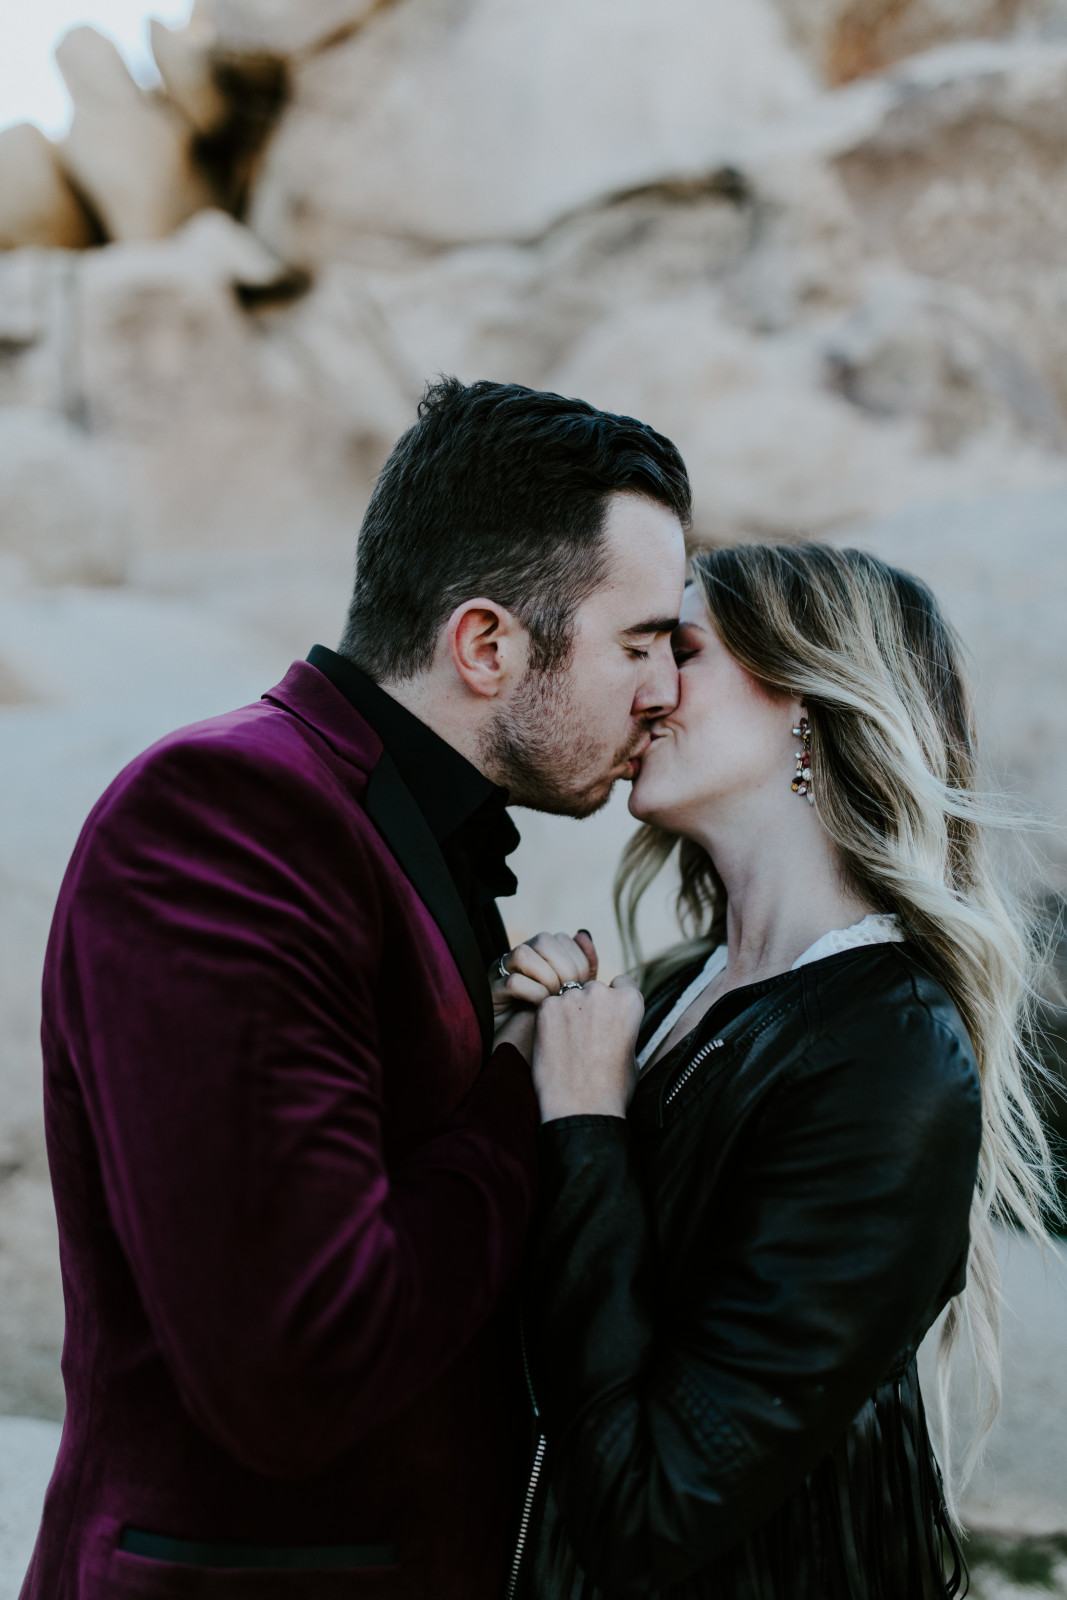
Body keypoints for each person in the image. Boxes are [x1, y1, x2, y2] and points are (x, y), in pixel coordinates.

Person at [22, 378, 689, 1600]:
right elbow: (298, 1358)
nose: (664, 691)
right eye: (638, 643)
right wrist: (526, 1093)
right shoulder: (225, 819)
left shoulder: (381, 828)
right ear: (487, 644)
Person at [494, 543, 1060, 1600]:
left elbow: (651, 1510)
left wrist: (582, 1117)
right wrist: (524, 1072)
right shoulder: (665, 995)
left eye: (685, 649)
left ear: (806, 698)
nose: (644, 688)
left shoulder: (886, 1051)